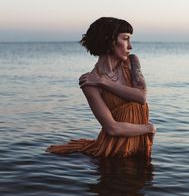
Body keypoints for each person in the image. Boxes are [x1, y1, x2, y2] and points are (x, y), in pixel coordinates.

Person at [46, 17, 156, 158]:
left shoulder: (132, 62)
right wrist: (148, 128)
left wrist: (104, 82)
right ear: (109, 40)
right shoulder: (89, 83)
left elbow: (141, 97)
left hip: (141, 144)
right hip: (114, 151)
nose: (130, 46)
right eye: (125, 38)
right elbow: (112, 128)